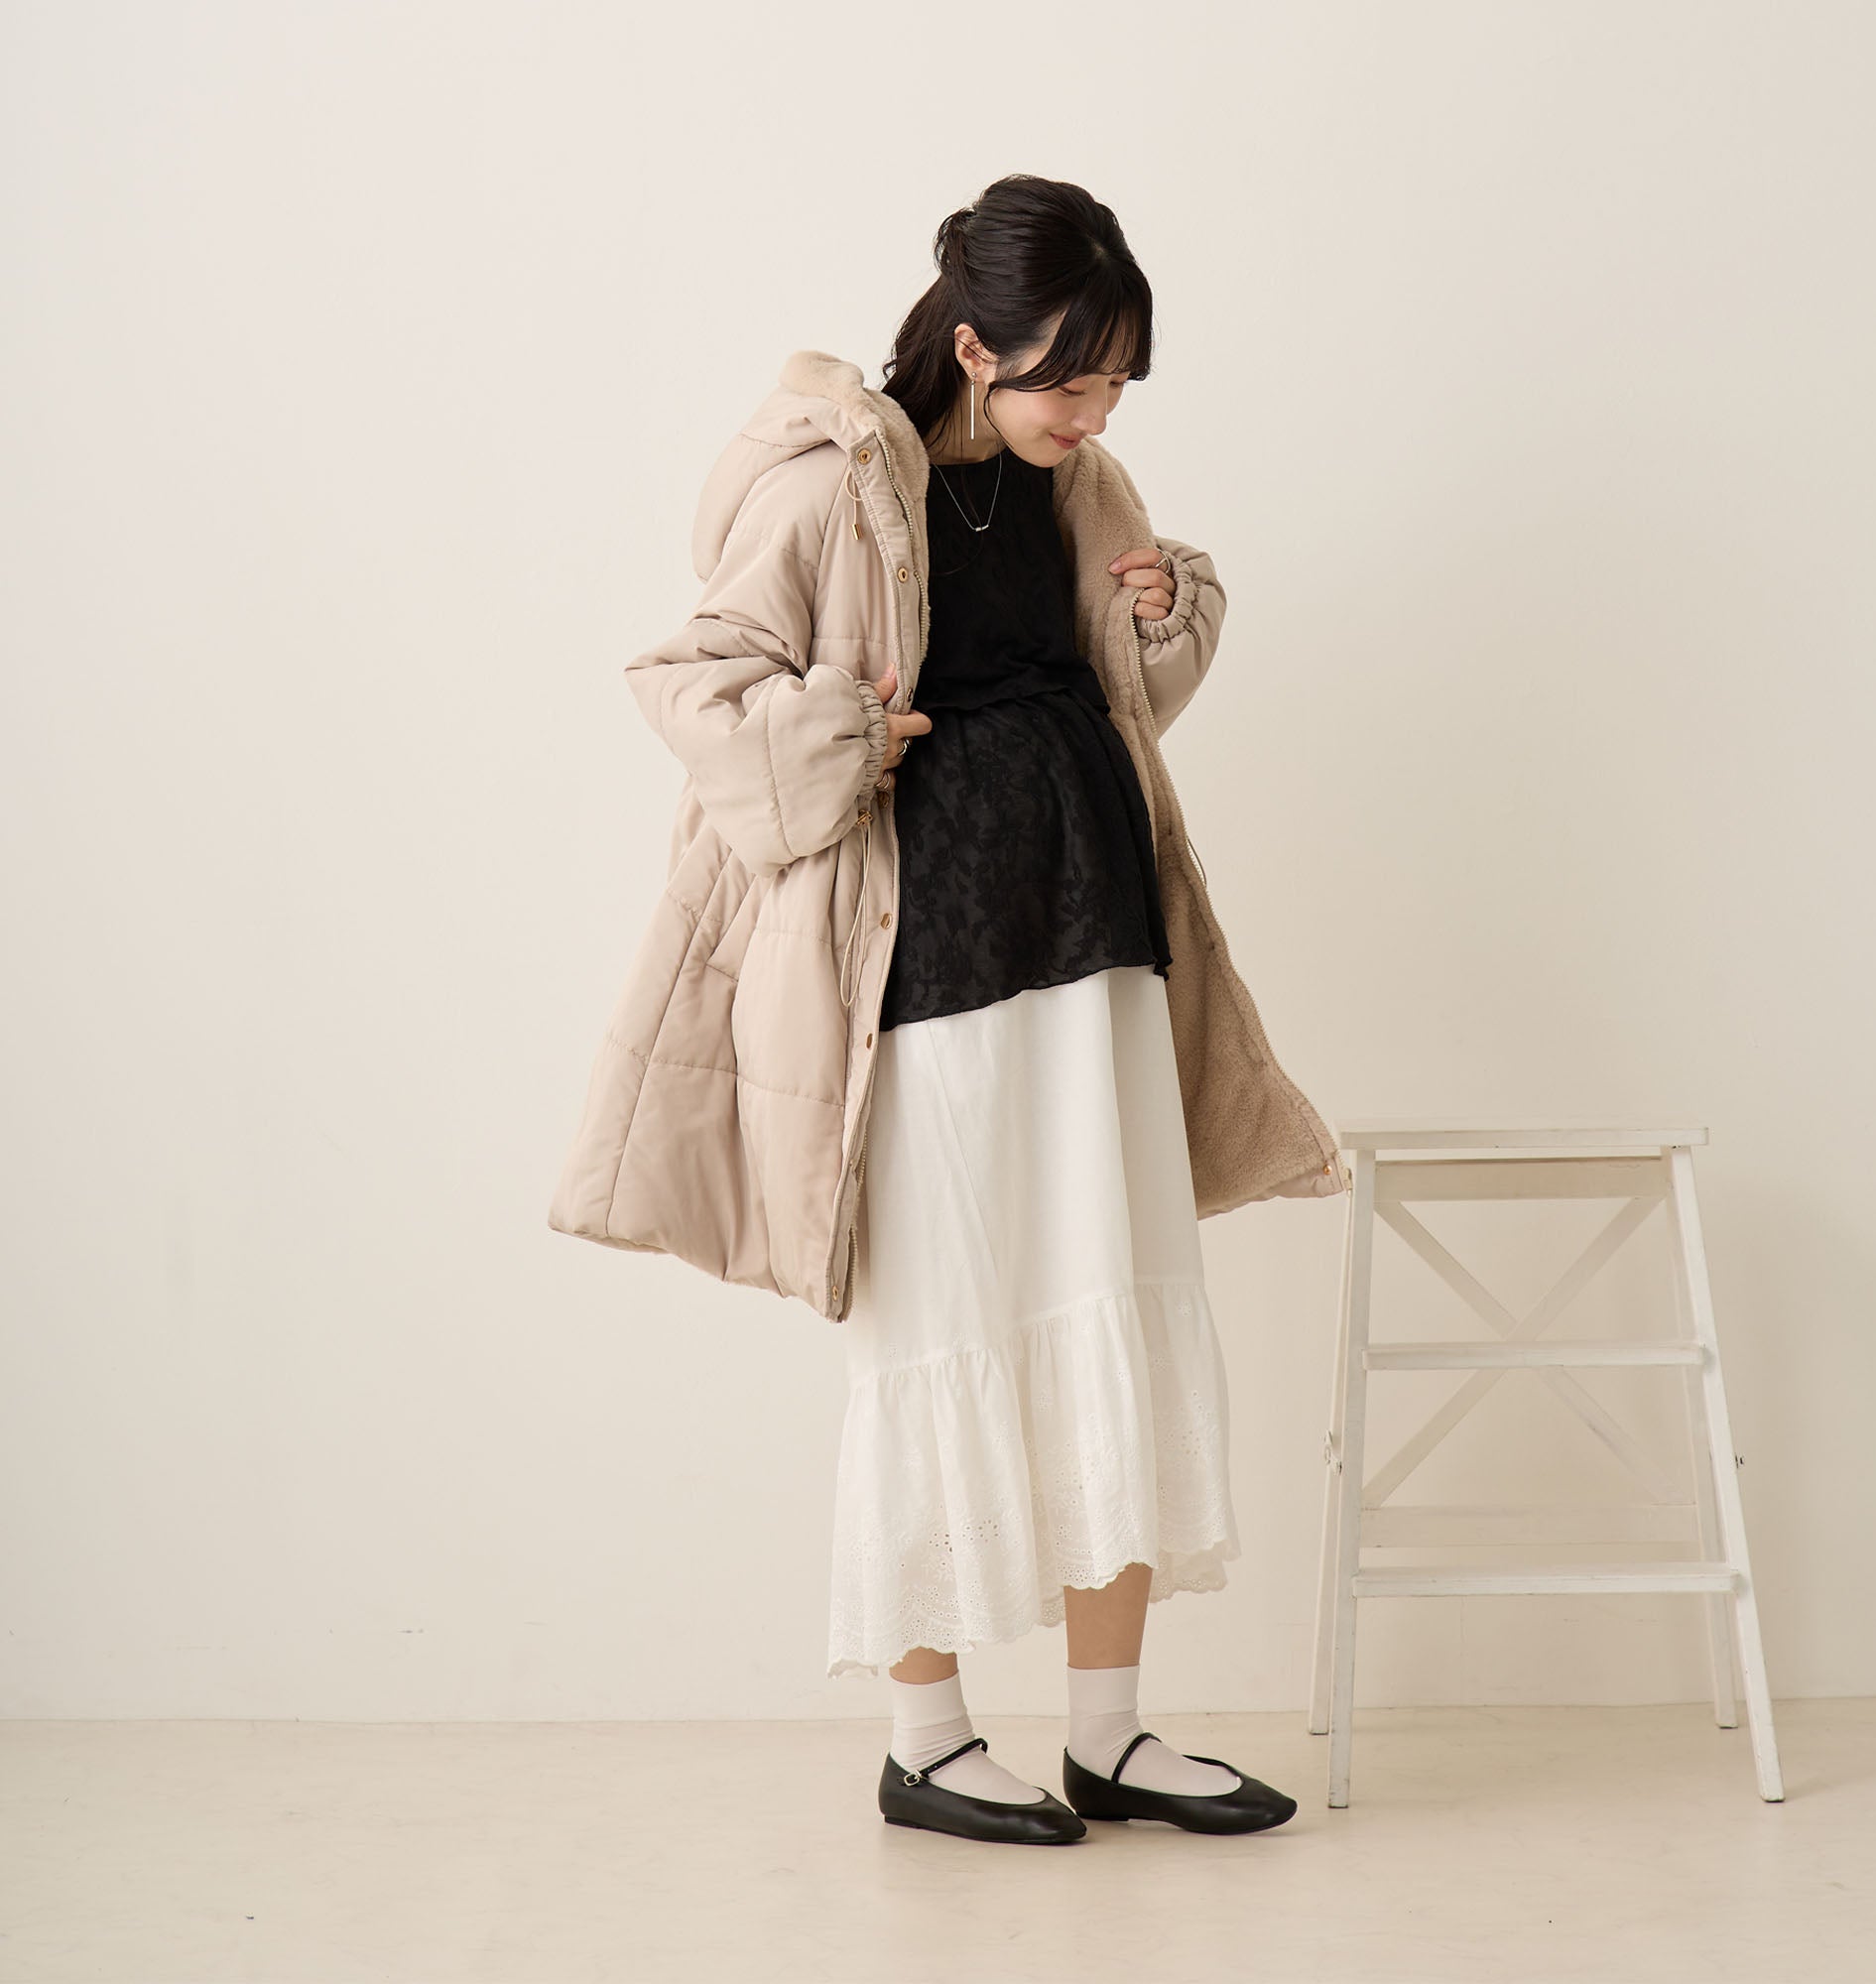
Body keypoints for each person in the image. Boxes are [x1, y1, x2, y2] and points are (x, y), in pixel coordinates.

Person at [547, 174, 1341, 1845]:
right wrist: (838, 731)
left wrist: (1164, 619)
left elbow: (1120, 698)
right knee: (945, 1326)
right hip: (929, 968)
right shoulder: (836, 491)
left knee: (1118, 1297)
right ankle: (925, 1740)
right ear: (976, 347)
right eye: (1072, 378)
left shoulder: (1081, 481)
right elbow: (695, 683)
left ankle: (1109, 1734)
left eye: (1117, 382)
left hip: (1098, 944)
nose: (1096, 412)